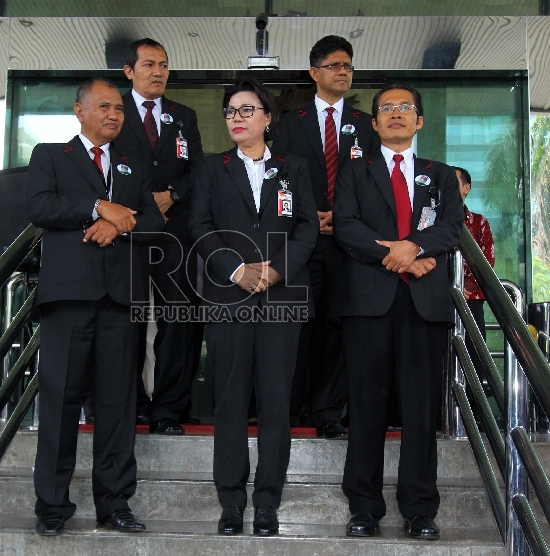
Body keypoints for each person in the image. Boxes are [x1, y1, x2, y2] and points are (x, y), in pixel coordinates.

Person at [25, 77, 164, 536]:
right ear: (79, 110)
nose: (113, 115)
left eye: (119, 109)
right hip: (68, 298)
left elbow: (154, 219)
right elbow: (41, 206)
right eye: (103, 106)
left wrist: (118, 225)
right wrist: (98, 208)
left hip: (120, 300)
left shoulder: (132, 164)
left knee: (117, 405)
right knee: (60, 401)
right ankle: (51, 505)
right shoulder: (50, 155)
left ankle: (115, 503)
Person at [333, 83, 463, 540]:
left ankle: (419, 509)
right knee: (365, 407)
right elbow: (346, 226)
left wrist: (415, 247)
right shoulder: (355, 172)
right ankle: (364, 508)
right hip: (369, 302)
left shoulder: (441, 175)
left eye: (405, 108)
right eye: (386, 109)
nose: (396, 114)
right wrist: (399, 254)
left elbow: (452, 227)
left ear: (419, 120)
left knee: (421, 411)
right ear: (373, 123)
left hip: (423, 305)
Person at [190, 77, 318, 537]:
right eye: (231, 112)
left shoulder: (294, 167)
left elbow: (307, 226)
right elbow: (199, 226)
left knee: (275, 402)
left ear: (267, 117)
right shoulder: (210, 168)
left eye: (247, 110)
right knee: (229, 400)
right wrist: (236, 270)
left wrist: (277, 270)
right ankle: (230, 502)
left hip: (281, 296)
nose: (238, 119)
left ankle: (267, 502)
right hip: (228, 298)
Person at [272, 35, 379, 438]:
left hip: (348, 244)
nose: (343, 72)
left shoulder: (363, 124)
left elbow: (372, 181)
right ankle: (291, 407)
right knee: (297, 325)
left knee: (336, 328)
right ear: (314, 72)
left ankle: (328, 410)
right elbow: (279, 178)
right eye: (335, 65)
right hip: (301, 242)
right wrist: (308, 217)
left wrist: (343, 218)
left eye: (348, 66)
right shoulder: (290, 123)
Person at [112, 38, 205, 435]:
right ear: (129, 71)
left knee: (178, 322)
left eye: (164, 65)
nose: (158, 72)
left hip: (176, 232)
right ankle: (127, 404)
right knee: (126, 321)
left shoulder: (184, 116)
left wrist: (172, 196)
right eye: (149, 64)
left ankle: (169, 409)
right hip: (127, 230)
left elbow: (198, 171)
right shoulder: (112, 111)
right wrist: (140, 203)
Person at [455, 166, 494, 361]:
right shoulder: (431, 221)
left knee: (474, 358)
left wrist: (464, 287)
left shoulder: (479, 223)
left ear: (466, 188)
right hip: (438, 299)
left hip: (471, 300)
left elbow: (486, 261)